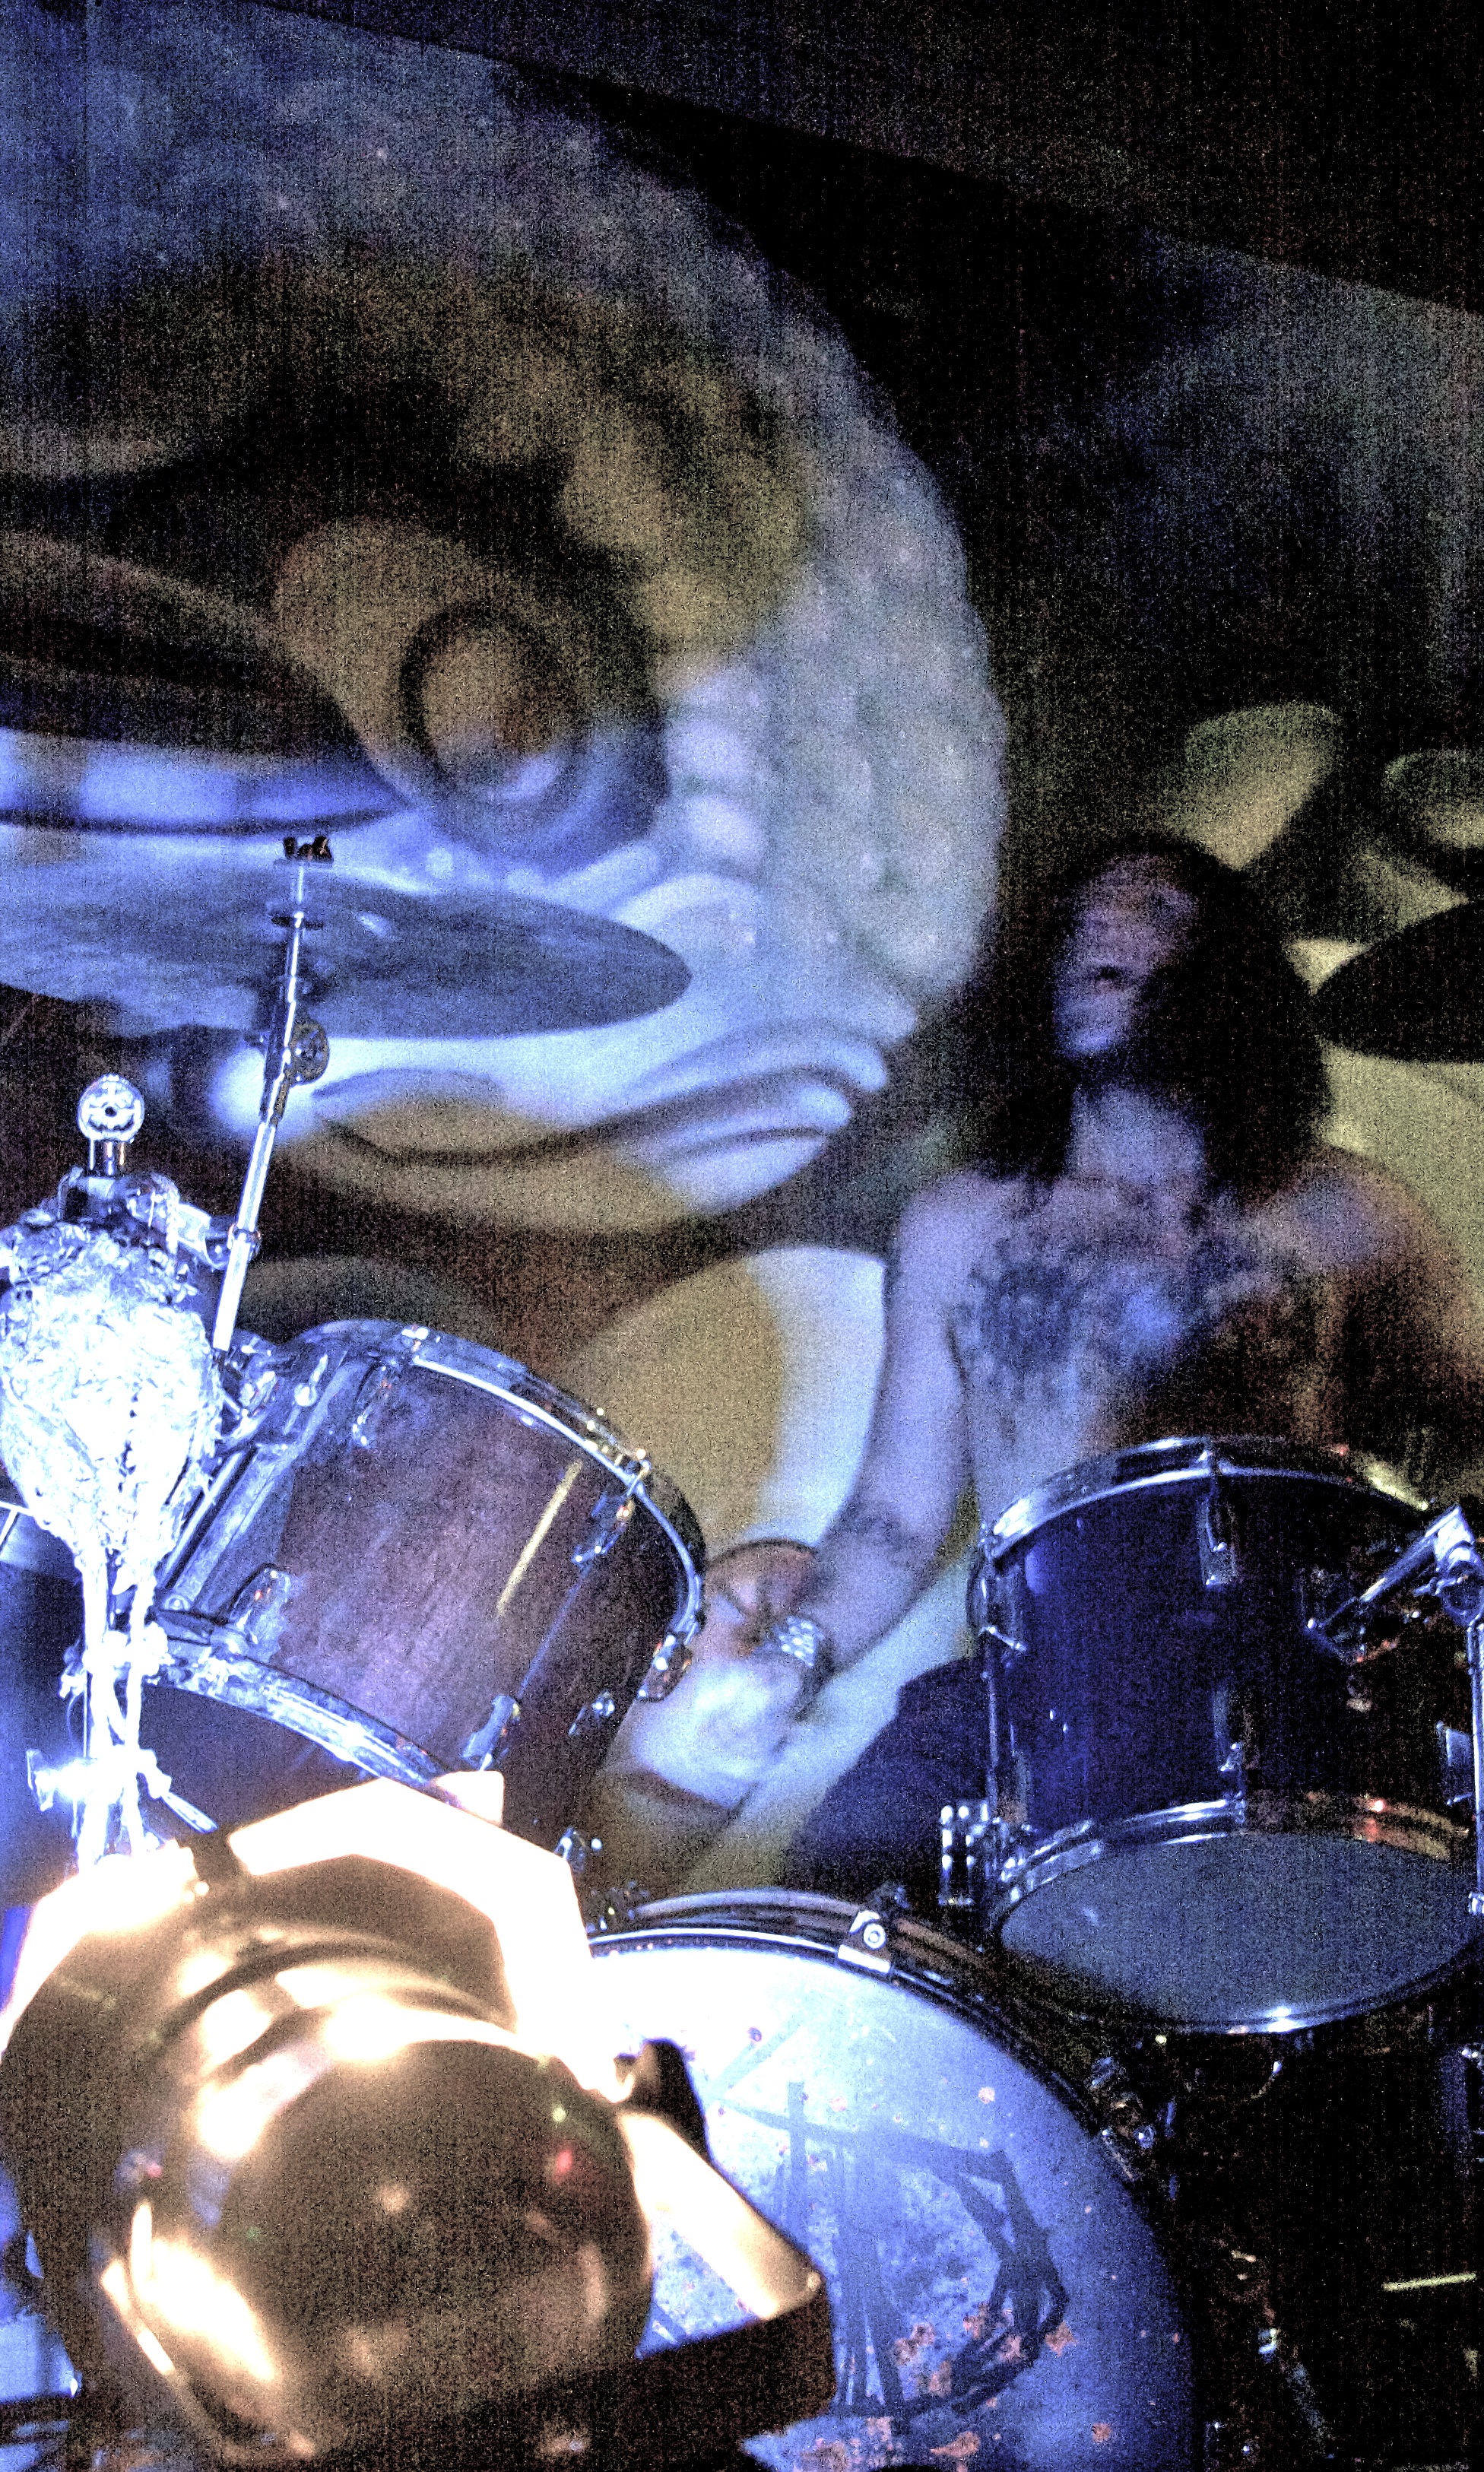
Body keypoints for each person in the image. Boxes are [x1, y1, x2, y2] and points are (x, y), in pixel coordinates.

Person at [690, 832, 1484, 1900]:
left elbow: (1470, 1421)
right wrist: (787, 1662)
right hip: (1026, 1695)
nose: (1103, 926)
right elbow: (895, 1515)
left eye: (1154, 909)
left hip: (1304, 1697)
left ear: (1227, 971)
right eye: (1080, 916)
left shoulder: (1348, 1215)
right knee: (820, 1919)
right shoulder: (961, 1227)